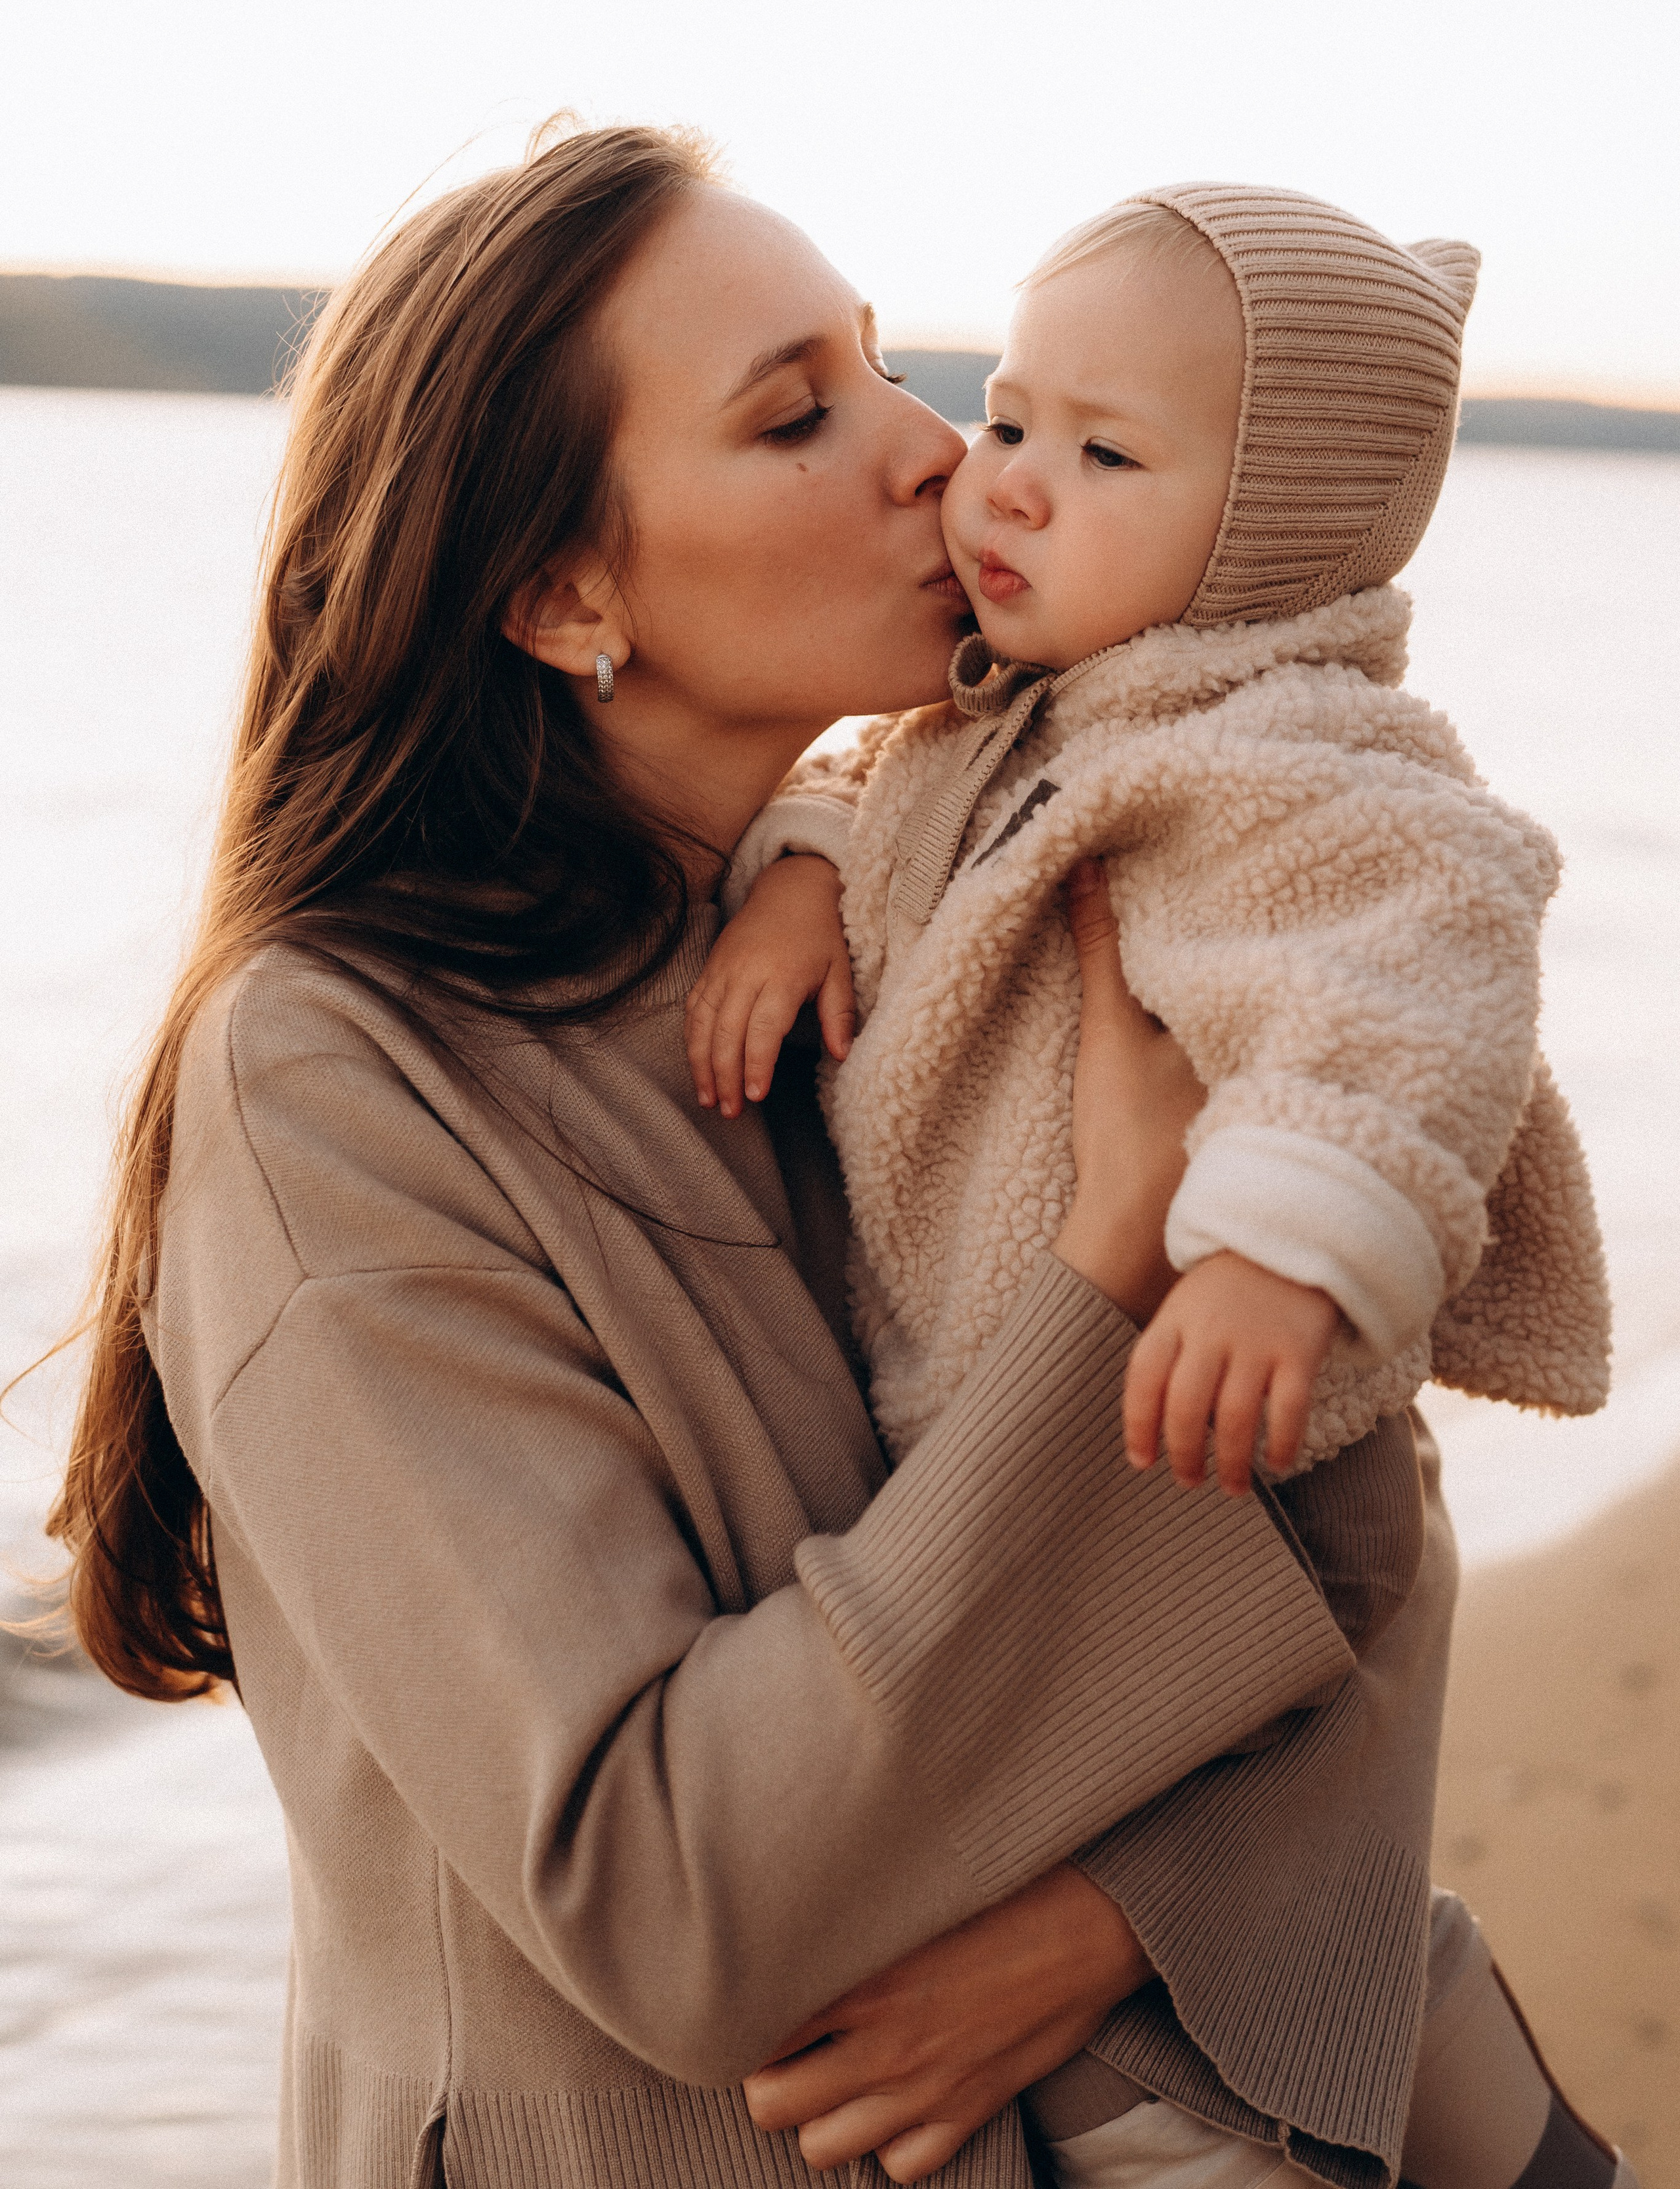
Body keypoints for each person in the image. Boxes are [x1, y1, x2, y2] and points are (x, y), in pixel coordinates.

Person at [40, 126, 1582, 2189]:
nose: (938, 456)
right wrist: (1108, 1274)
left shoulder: (931, 918)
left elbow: (1350, 1513)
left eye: (884, 368)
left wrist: (1128, 1914)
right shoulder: (334, 1079)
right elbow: (665, 1899)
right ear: (565, 594)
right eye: (796, 417)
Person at [688, 184, 1625, 2188]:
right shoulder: (1015, 707)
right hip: (1070, 1433)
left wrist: (1283, 1248)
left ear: (1271, 532)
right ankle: (1448, 2061)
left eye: (1106, 456)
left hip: (1224, 1419)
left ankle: (1341, 2080)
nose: (1008, 482)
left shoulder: (1294, 755)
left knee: (1166, 2052)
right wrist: (796, 877)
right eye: (1011, 415)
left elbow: (1414, 970)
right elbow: (875, 792)